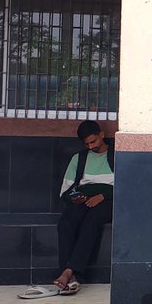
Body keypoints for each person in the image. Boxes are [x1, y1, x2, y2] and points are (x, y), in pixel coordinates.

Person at [52, 120, 115, 294]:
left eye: (93, 141)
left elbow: (127, 186)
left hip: (107, 200)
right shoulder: (79, 158)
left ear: (102, 135)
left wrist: (102, 196)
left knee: (91, 221)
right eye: (86, 144)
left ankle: (68, 272)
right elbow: (65, 190)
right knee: (65, 223)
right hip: (83, 200)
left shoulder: (116, 156)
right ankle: (71, 277)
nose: (91, 146)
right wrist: (75, 198)